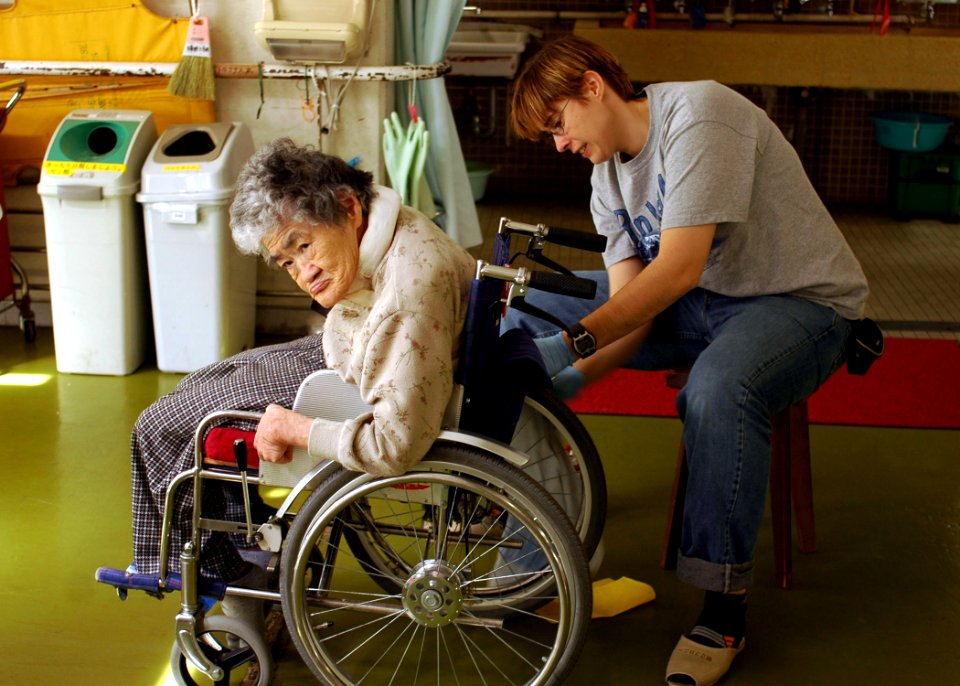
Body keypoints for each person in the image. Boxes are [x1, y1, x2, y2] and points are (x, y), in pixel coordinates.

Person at [506, 35, 869, 686]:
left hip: (797, 302)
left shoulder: (700, 115)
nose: (558, 144)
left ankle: (723, 610)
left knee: (717, 389)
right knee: (518, 314)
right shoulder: (606, 176)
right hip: (698, 303)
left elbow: (675, 269)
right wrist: (561, 386)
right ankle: (537, 544)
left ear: (592, 86)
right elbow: (630, 314)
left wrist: (570, 348)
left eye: (557, 124)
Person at [129, 138, 476, 631]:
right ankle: (238, 549)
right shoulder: (392, 224)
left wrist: (296, 428)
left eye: (305, 245)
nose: (303, 272)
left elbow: (395, 444)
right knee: (203, 381)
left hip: (350, 375)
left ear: (349, 207)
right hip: (353, 350)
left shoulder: (407, 294)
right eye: (288, 261)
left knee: (163, 425)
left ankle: (223, 576)